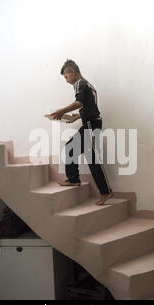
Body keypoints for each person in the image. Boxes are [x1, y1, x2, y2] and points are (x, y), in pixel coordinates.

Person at [51, 59, 114, 205]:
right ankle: (74, 179)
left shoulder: (79, 83)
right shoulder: (87, 84)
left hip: (91, 124)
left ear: (73, 73)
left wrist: (62, 111)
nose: (66, 81)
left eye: (66, 77)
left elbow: (79, 103)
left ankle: (106, 192)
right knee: (72, 149)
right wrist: (79, 115)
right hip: (91, 122)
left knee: (90, 157)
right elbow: (90, 106)